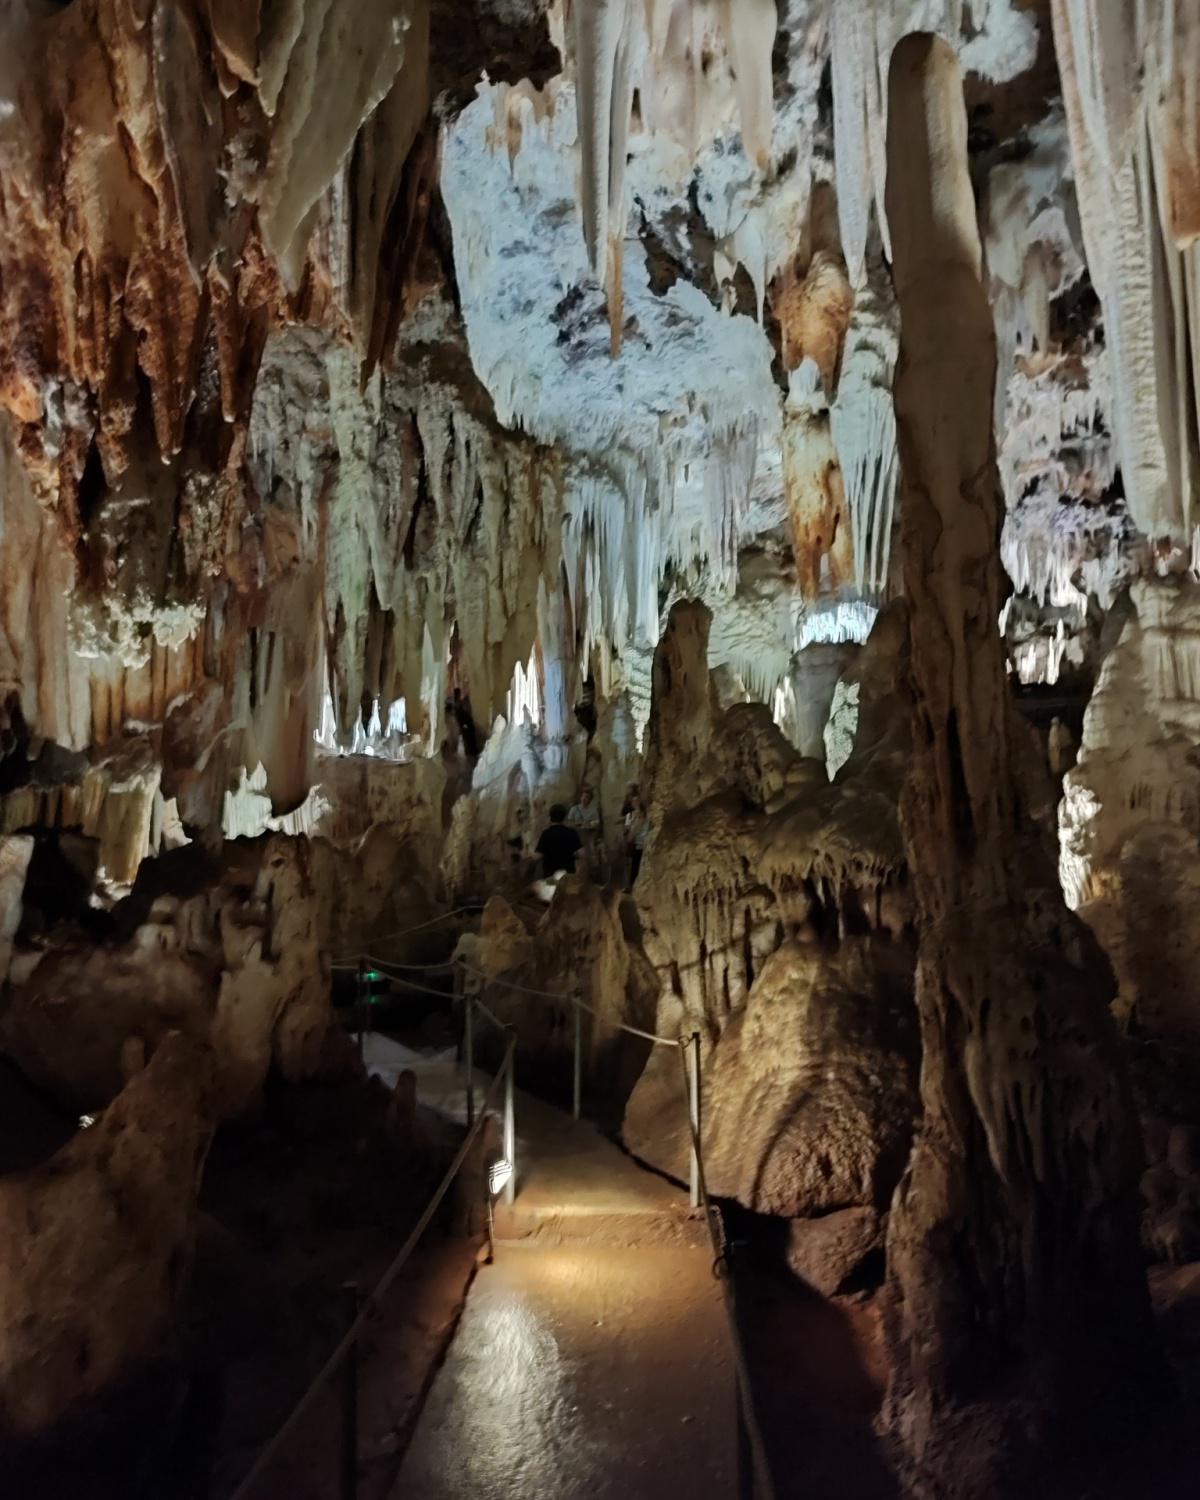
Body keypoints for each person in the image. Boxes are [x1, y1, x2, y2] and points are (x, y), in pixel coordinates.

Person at [535, 804, 582, 878]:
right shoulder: (571, 832)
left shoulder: (546, 834)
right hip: (568, 876)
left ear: (550, 817)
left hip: (551, 877)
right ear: (564, 817)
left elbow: (538, 856)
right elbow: (581, 853)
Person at [624, 791, 648, 886]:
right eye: (634, 801)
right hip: (632, 842)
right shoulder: (629, 815)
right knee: (631, 865)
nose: (635, 803)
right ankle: (630, 884)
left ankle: (636, 885)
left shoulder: (645, 815)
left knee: (638, 864)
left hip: (641, 842)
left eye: (637, 801)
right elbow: (627, 828)